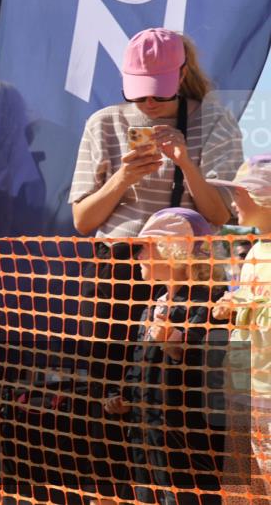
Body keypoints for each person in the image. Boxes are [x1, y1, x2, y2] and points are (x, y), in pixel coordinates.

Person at [69, 28, 242, 504]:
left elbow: (222, 215)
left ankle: (191, 494)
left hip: (189, 276)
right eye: (138, 88)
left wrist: (186, 164)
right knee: (112, 394)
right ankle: (124, 493)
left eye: (158, 89)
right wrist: (124, 175)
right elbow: (83, 220)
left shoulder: (215, 122)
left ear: (182, 73)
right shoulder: (104, 124)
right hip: (120, 272)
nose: (147, 100)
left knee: (182, 399)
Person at [103, 208, 228, 505]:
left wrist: (168, 338)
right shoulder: (151, 307)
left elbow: (190, 355)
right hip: (145, 434)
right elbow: (139, 366)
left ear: (172, 250)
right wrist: (122, 398)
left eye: (144, 249)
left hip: (186, 439)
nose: (137, 259)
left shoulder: (209, 299)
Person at [209, 155, 271, 500]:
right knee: (247, 487)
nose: (232, 205)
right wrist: (232, 308)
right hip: (245, 391)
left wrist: (252, 306)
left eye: (240, 195)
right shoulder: (254, 254)